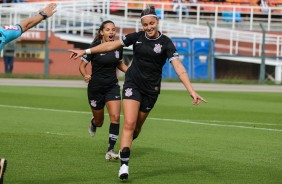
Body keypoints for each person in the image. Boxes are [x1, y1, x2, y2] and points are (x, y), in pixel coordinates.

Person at [69, 5, 206, 181]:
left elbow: (178, 67)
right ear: (141, 25)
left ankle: (125, 147)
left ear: (157, 22)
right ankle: (124, 166)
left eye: (151, 23)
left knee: (137, 129)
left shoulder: (166, 43)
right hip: (132, 84)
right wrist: (85, 51)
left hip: (151, 90)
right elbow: (110, 45)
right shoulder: (136, 37)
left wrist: (191, 90)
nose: (148, 27)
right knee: (129, 123)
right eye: (145, 24)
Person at [0, 3, 57, 184]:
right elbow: (24, 25)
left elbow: (25, 26)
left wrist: (42, 14)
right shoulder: (2, 32)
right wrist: (43, 14)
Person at [80, 20, 127, 160]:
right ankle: (93, 123)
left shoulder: (118, 46)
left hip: (112, 86)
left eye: (113, 29)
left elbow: (119, 63)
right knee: (100, 121)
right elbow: (82, 66)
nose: (111, 32)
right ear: (102, 32)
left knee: (116, 117)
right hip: (95, 88)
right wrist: (85, 75)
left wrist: (130, 72)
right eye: (108, 29)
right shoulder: (94, 47)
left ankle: (111, 150)